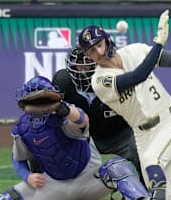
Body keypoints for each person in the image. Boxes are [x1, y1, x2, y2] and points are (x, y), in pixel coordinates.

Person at [78, 10, 171, 200]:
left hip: (170, 120)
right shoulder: (99, 81)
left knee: (150, 161)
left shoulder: (135, 50)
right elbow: (135, 77)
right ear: (87, 56)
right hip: (142, 135)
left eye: (99, 44)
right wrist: (158, 43)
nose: (98, 52)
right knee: (162, 195)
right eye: (91, 50)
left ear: (107, 40)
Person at [0, 76, 150, 200]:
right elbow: (18, 159)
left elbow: (82, 120)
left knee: (117, 167)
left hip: (89, 180)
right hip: (53, 186)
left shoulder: (65, 115)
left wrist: (63, 109)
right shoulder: (23, 128)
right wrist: (28, 176)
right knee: (6, 197)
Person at [52, 46, 144, 184]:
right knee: (50, 147)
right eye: (79, 67)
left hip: (121, 134)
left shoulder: (117, 79)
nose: (82, 72)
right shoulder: (63, 82)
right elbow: (54, 116)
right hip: (85, 138)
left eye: (87, 67)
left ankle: (149, 191)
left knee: (144, 154)